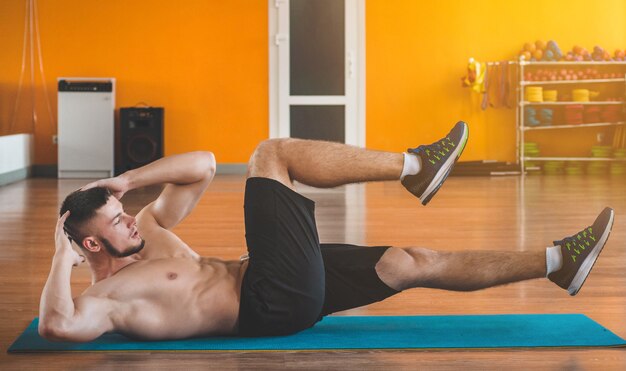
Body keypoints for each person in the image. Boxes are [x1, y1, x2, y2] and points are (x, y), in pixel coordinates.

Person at [39, 121, 614, 341]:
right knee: (271, 153)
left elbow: (205, 164)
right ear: (92, 246)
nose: (128, 217)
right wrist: (60, 260)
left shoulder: (148, 233)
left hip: (269, 281)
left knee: (410, 260)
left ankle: (557, 261)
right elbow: (58, 325)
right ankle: (416, 168)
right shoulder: (108, 298)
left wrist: (125, 180)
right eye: (116, 221)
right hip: (266, 302)